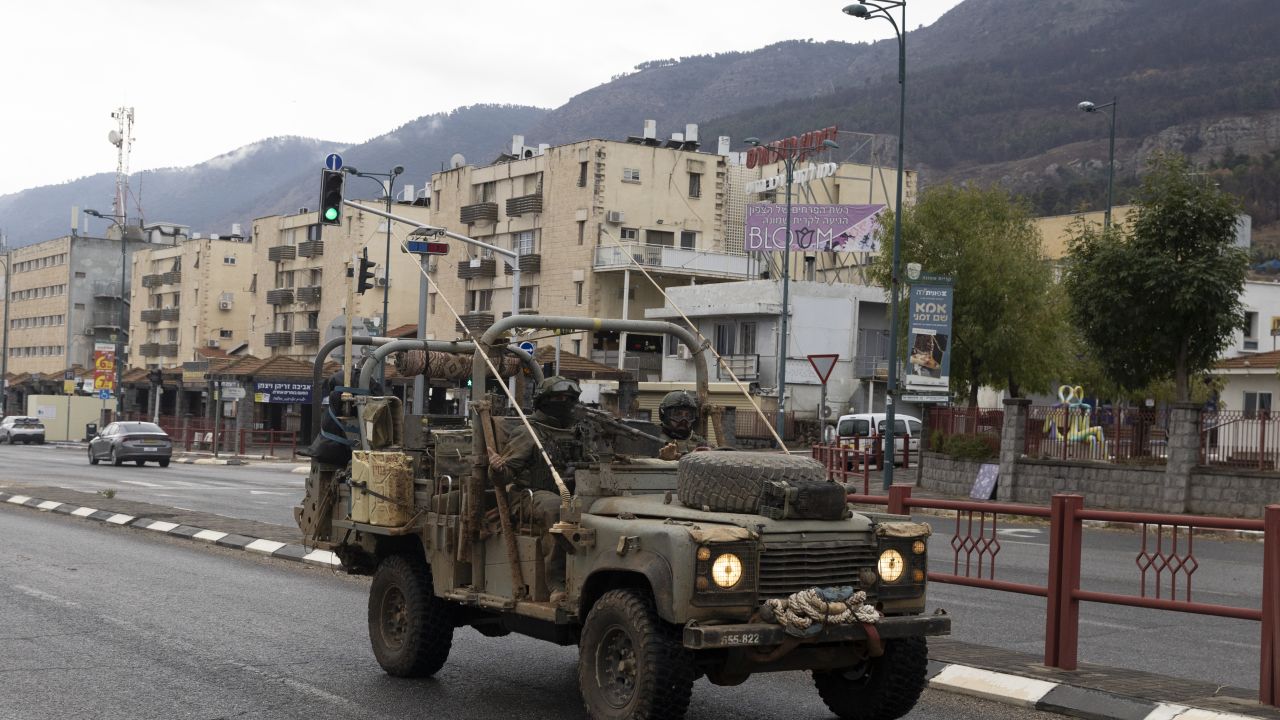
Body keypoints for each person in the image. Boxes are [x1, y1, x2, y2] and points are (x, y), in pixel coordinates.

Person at [486, 376, 584, 594]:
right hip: (529, 496)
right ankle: (556, 583)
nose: (564, 402)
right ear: (544, 400)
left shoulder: (581, 432)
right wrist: (498, 467)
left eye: (569, 398)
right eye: (558, 397)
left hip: (574, 492)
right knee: (557, 507)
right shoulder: (529, 432)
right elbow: (505, 476)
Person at [657, 390, 707, 460]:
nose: (684, 420)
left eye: (688, 416)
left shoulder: (699, 442)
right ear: (664, 416)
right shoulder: (652, 440)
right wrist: (661, 458)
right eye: (677, 415)